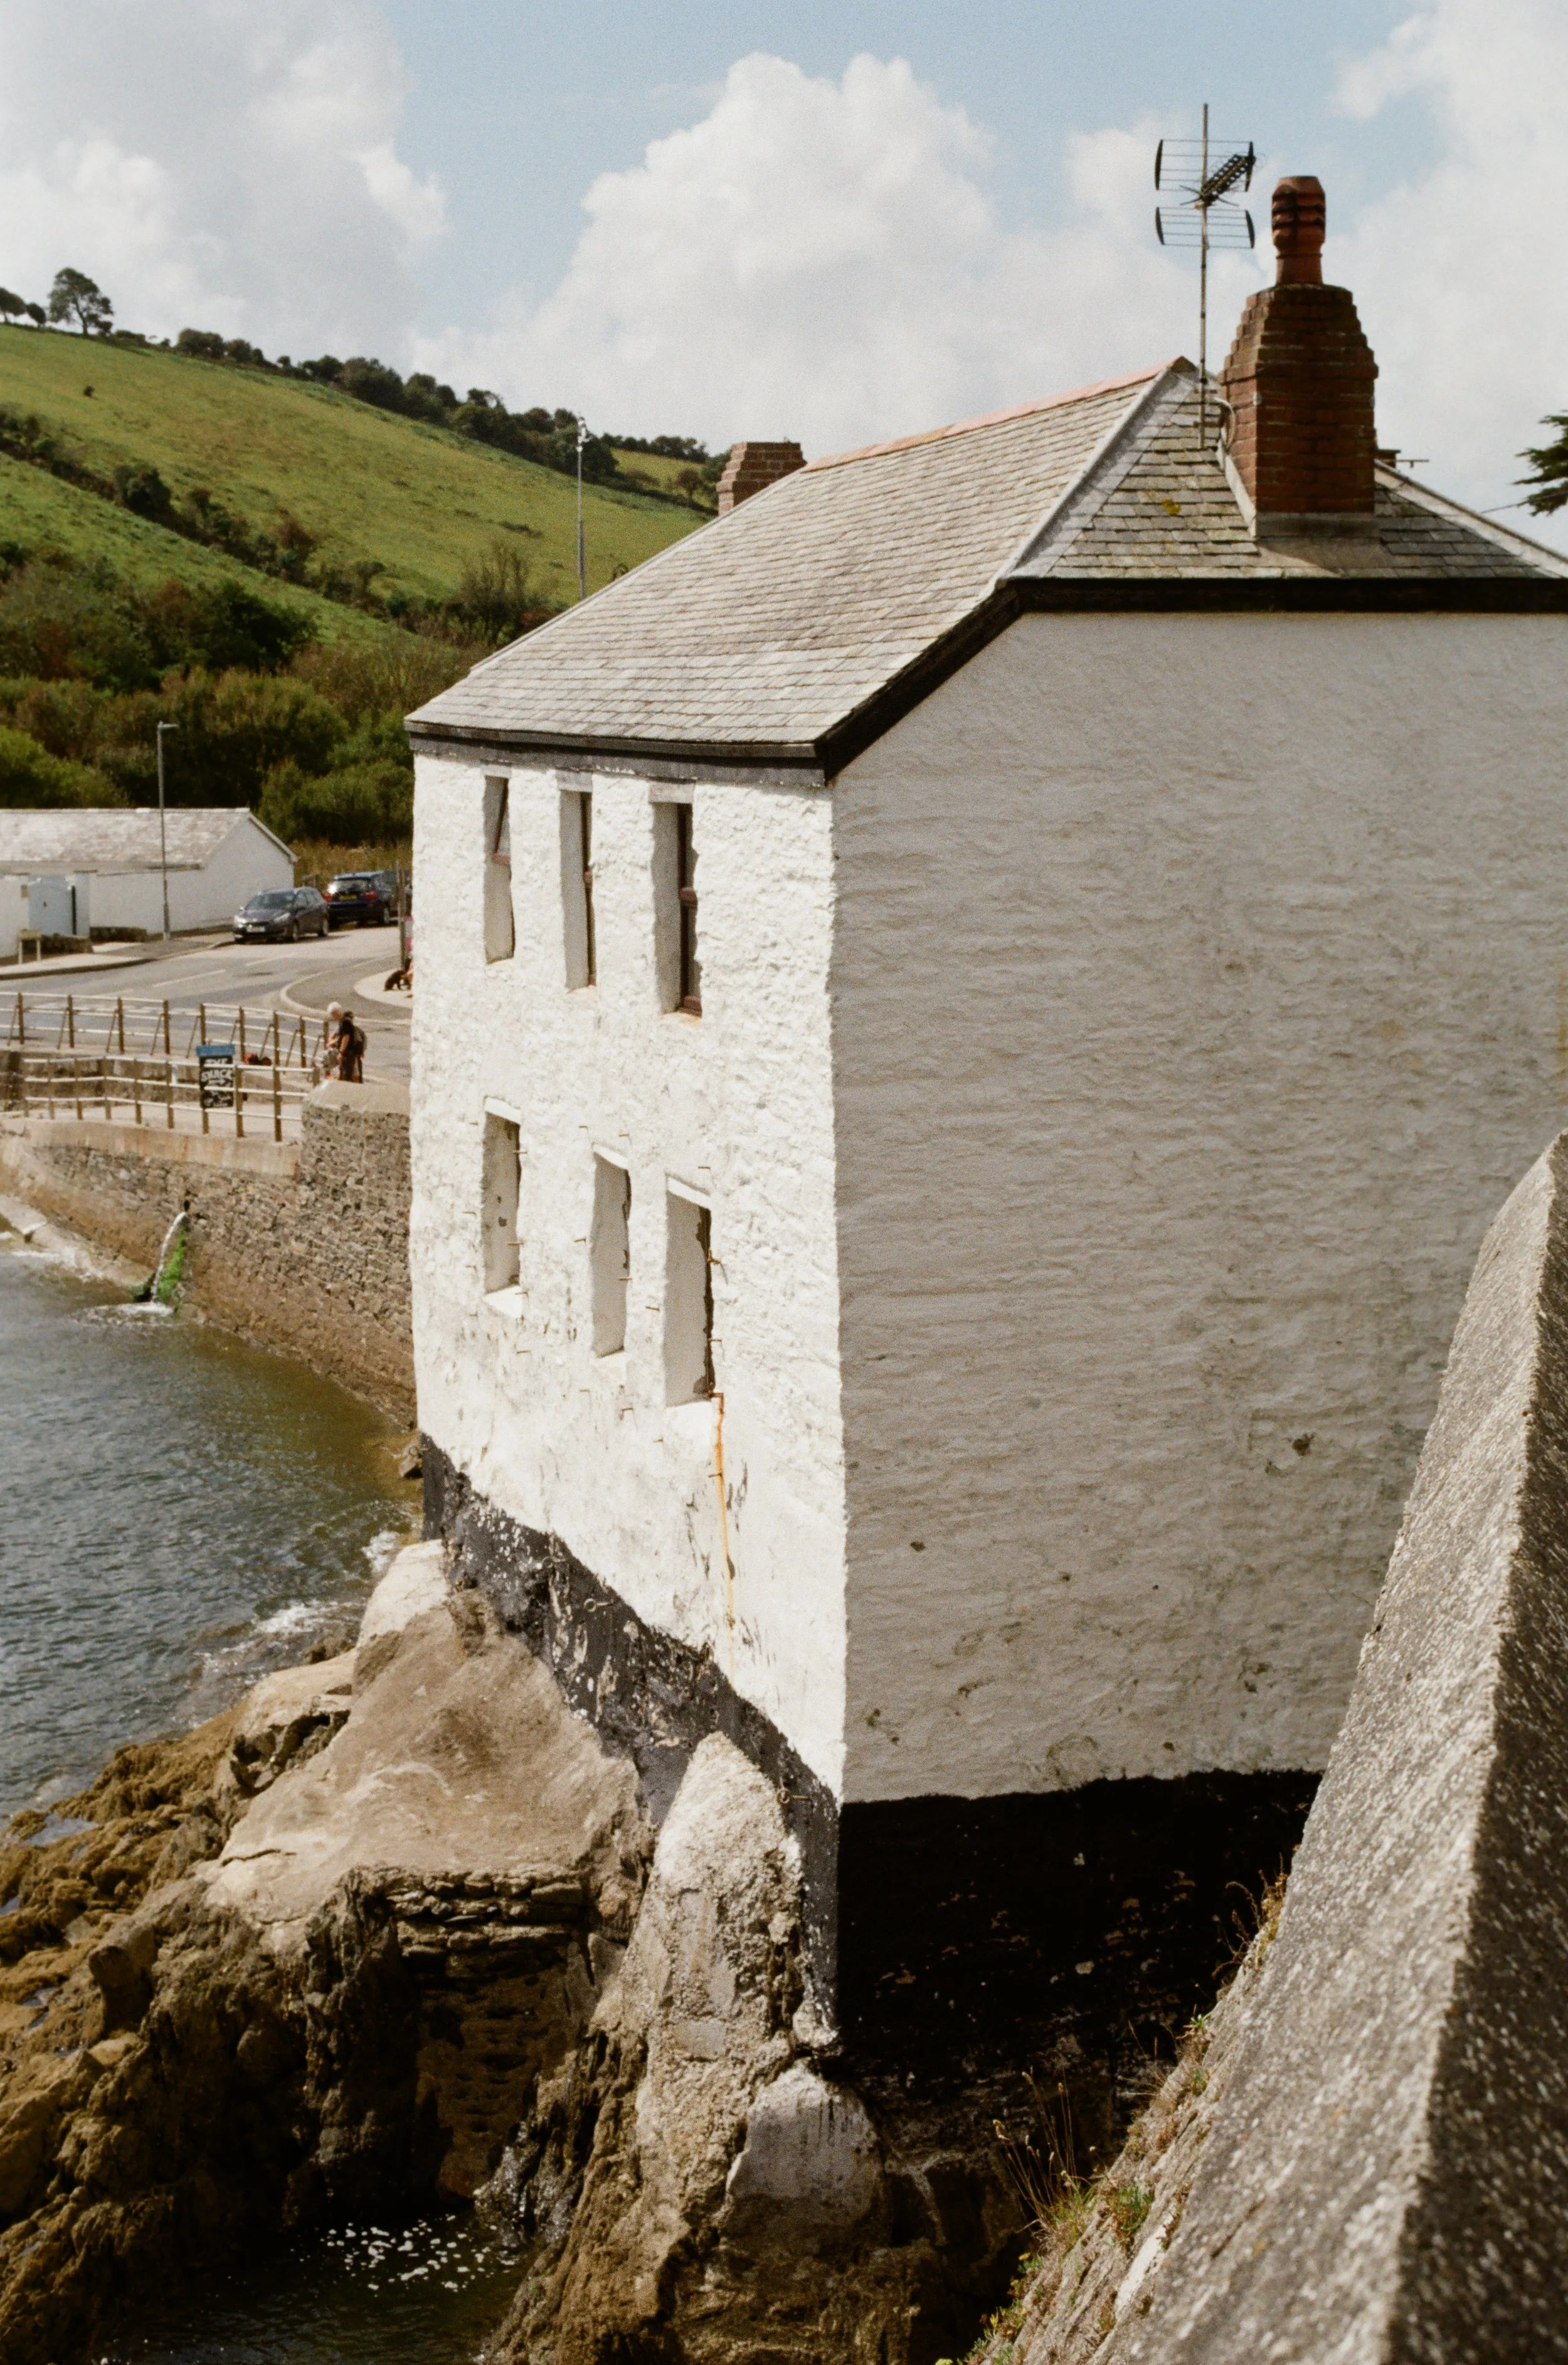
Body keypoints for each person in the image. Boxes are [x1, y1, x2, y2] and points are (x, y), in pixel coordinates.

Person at [335, 1007, 365, 1084]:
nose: (352, 1019)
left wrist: (341, 1052)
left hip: (351, 1053)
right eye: (351, 1017)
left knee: (350, 1074)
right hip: (354, 1053)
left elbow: (346, 1038)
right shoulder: (347, 1024)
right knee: (354, 1073)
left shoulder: (346, 1024)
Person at [322, 1002, 344, 1078]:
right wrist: (331, 1040)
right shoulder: (341, 1022)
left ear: (337, 1013)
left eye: (333, 1014)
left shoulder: (345, 1022)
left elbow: (345, 1038)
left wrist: (333, 1042)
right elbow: (335, 1033)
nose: (332, 1017)